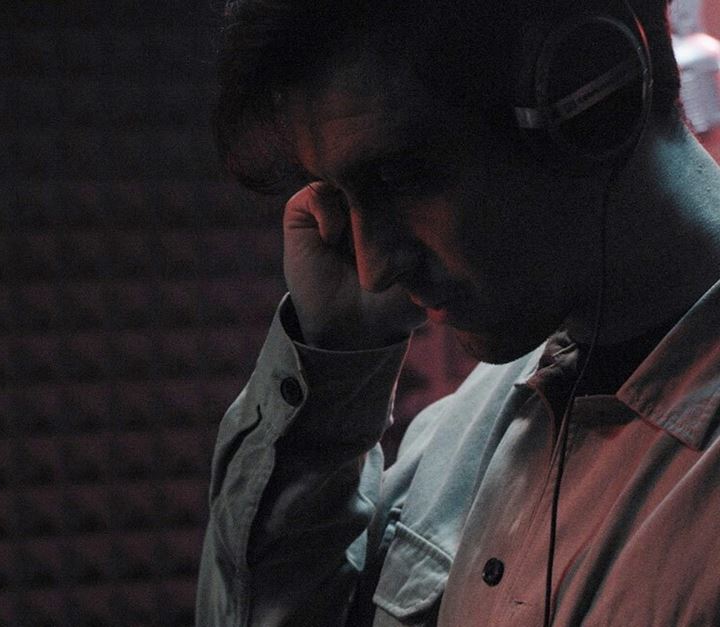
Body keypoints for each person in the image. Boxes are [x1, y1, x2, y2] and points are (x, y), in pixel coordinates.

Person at [197, 0, 720, 624]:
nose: (372, 269)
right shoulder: (457, 436)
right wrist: (333, 368)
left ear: (588, 91)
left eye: (398, 177)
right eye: (340, 196)